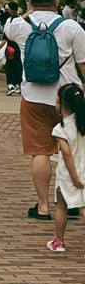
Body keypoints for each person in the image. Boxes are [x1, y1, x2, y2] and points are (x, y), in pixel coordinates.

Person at [4, 0, 85, 222]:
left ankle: (42, 207)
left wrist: (27, 13)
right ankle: (69, 202)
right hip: (69, 97)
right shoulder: (72, 27)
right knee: (72, 151)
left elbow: (11, 25)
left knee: (40, 151)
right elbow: (83, 66)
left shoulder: (18, 25)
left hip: (33, 97)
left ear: (30, 1)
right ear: (56, 1)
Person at [46, 84, 85, 253]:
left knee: (62, 206)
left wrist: (74, 177)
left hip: (69, 175)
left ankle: (59, 241)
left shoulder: (61, 129)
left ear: (61, 104)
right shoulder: (82, 124)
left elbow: (67, 154)